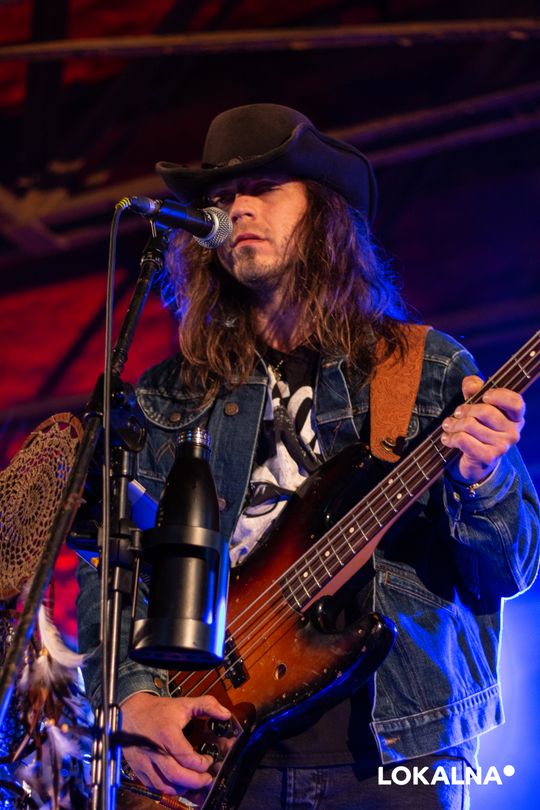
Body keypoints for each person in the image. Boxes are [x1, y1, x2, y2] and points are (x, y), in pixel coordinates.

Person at [77, 103, 540, 809]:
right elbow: (113, 565)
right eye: (222, 196)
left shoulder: (426, 369)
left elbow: (509, 570)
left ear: (324, 213)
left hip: (397, 748)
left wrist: (485, 479)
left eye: (263, 188)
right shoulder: (168, 396)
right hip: (222, 743)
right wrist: (133, 704)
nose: (237, 208)